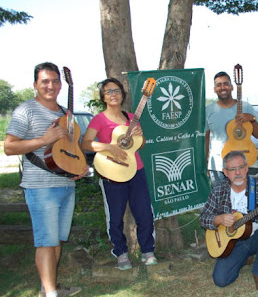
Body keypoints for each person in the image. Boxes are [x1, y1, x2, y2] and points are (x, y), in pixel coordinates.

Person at [5, 62, 86, 297]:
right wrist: (44, 139)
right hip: (41, 187)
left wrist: (79, 168)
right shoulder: (26, 110)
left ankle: (47, 289)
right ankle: (51, 294)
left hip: (66, 185)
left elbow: (73, 148)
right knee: (45, 242)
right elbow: (10, 147)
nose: (51, 86)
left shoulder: (64, 114)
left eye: (55, 81)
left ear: (61, 84)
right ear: (35, 85)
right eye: (45, 81)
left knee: (57, 240)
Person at [81, 78, 157, 270]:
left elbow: (142, 143)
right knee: (115, 217)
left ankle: (148, 250)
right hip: (111, 172)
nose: (113, 94)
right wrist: (109, 147)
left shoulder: (131, 117)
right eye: (108, 91)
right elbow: (86, 143)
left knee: (145, 213)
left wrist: (140, 135)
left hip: (136, 170)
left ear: (123, 94)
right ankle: (121, 253)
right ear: (103, 97)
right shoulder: (99, 119)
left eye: (116, 90)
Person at [199, 151, 258, 292]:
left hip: (256, 238)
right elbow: (203, 218)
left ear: (246, 168)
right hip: (231, 244)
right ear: (225, 172)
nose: (237, 172)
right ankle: (245, 258)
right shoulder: (218, 189)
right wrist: (218, 219)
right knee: (221, 280)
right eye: (232, 169)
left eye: (240, 167)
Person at [205, 71, 258, 184]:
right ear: (214, 89)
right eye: (219, 85)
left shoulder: (246, 107)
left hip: (243, 163)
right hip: (217, 165)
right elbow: (206, 138)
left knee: (243, 199)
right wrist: (205, 163)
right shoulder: (208, 110)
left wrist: (252, 118)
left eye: (226, 83)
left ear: (231, 87)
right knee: (221, 199)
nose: (222, 87)